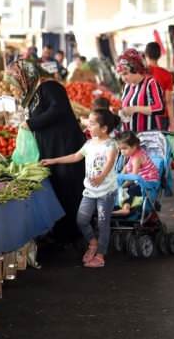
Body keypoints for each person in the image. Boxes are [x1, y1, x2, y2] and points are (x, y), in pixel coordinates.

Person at [6, 60, 86, 245]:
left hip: (65, 146)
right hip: (50, 148)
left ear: (24, 76)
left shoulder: (49, 87)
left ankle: (74, 233)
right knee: (57, 187)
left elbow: (59, 109)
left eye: (14, 82)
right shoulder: (32, 95)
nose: (13, 87)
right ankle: (60, 232)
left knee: (69, 188)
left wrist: (31, 123)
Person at [41, 109, 120, 268]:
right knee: (81, 220)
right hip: (90, 191)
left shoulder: (111, 145)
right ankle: (93, 243)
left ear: (104, 128)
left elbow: (110, 162)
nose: (88, 126)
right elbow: (76, 156)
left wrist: (101, 177)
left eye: (92, 123)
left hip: (106, 192)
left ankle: (100, 255)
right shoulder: (89, 143)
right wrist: (54, 160)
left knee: (103, 224)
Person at [116, 49, 166, 132]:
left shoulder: (150, 82)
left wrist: (134, 109)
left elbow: (159, 108)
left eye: (125, 73)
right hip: (130, 137)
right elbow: (124, 106)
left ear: (136, 69)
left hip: (148, 136)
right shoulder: (127, 86)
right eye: (121, 75)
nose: (123, 78)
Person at [113, 131, 159, 216]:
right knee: (122, 189)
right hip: (140, 180)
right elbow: (126, 168)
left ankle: (126, 209)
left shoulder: (137, 158)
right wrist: (119, 178)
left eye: (124, 148)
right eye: (120, 149)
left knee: (130, 190)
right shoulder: (133, 154)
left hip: (148, 183)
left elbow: (133, 177)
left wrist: (122, 186)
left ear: (134, 146)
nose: (122, 152)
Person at [145, 42, 174, 131]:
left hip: (143, 115)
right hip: (161, 117)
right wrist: (172, 123)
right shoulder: (167, 74)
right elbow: (168, 101)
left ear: (146, 54)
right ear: (159, 55)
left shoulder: (141, 73)